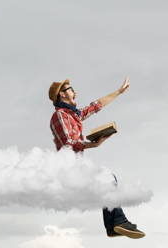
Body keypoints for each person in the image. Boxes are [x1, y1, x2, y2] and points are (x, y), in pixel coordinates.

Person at [48, 78, 145, 239]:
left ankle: (114, 226)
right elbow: (68, 142)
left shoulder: (74, 115)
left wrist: (119, 92)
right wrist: (93, 144)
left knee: (108, 179)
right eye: (71, 89)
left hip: (77, 166)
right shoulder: (59, 115)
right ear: (62, 95)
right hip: (67, 169)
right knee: (105, 178)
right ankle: (117, 223)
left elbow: (96, 106)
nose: (75, 92)